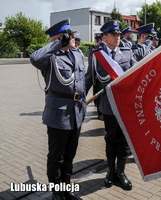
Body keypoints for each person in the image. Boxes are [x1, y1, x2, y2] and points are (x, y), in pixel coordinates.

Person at [30, 18, 85, 200]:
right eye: (68, 35)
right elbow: (35, 58)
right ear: (59, 37)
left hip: (76, 111)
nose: (73, 37)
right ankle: (56, 193)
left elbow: (81, 82)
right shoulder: (50, 56)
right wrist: (55, 45)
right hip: (58, 114)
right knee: (57, 156)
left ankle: (66, 189)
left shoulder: (76, 54)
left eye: (71, 33)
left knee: (70, 155)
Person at [86, 20, 137, 190]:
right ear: (105, 37)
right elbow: (89, 78)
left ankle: (121, 173)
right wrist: (78, 99)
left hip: (124, 106)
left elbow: (136, 73)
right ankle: (110, 172)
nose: (117, 38)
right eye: (114, 35)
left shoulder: (127, 52)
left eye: (119, 34)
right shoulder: (97, 55)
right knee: (110, 140)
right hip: (108, 106)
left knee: (122, 141)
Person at [86, 33, 104, 120]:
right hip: (96, 77)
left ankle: (100, 111)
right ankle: (99, 112)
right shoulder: (94, 50)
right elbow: (91, 62)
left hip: (101, 78)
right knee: (97, 95)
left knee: (100, 96)